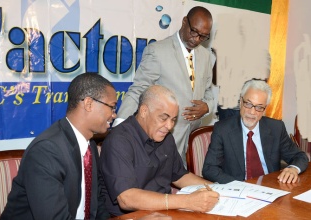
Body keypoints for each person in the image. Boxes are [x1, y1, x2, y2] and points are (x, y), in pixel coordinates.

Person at [0, 73, 116, 220]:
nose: (114, 115)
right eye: (112, 107)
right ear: (89, 104)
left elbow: (97, 203)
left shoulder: (90, 145)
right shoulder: (46, 151)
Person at [114, 6, 215, 166]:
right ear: (184, 22)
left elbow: (209, 90)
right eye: (194, 31)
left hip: (191, 139)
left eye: (203, 36)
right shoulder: (157, 51)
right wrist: (119, 128)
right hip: (164, 138)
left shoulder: (206, 55)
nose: (196, 39)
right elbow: (138, 90)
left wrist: (207, 107)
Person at [100, 85, 219, 216]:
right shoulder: (119, 140)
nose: (169, 126)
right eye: (163, 118)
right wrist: (187, 201)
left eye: (173, 120)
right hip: (131, 216)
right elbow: (127, 198)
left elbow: (180, 176)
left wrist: (217, 190)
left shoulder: (166, 137)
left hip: (164, 211)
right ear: (144, 111)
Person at [203, 79, 309, 184]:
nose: (252, 112)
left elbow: (300, 156)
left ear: (265, 109)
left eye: (259, 107)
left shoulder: (276, 128)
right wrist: (238, 186)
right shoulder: (223, 129)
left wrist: (293, 169)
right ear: (240, 102)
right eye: (248, 104)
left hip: (271, 188)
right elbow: (209, 168)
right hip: (239, 190)